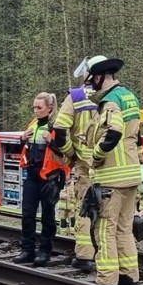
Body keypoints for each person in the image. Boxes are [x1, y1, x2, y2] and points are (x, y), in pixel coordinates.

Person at [80, 56, 143, 285]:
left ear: (98, 77)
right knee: (124, 228)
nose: (91, 86)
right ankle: (129, 278)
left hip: (112, 178)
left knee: (105, 230)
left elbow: (113, 133)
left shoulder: (110, 101)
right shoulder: (129, 96)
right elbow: (134, 137)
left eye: (91, 81)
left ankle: (107, 281)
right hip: (131, 174)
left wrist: (95, 156)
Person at [52, 59, 100, 273]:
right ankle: (111, 255)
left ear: (88, 74)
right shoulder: (120, 95)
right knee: (113, 211)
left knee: (86, 208)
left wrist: (70, 153)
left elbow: (60, 129)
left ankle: (85, 255)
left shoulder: (77, 97)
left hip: (86, 164)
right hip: (116, 164)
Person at [15, 92, 64, 266]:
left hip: (49, 178)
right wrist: (22, 139)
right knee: (27, 214)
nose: (35, 111)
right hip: (32, 175)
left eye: (39, 107)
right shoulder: (34, 124)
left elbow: (65, 151)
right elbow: (26, 149)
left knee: (48, 215)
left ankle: (45, 251)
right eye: (34, 107)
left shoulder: (56, 127)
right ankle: (27, 249)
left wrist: (51, 141)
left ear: (49, 108)